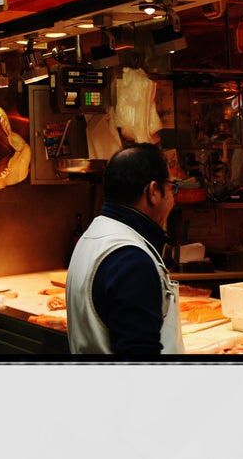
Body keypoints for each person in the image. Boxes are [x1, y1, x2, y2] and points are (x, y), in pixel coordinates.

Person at [65, 143, 183, 356]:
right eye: (172, 187)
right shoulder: (131, 260)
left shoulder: (94, 235)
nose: (174, 198)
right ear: (153, 191)